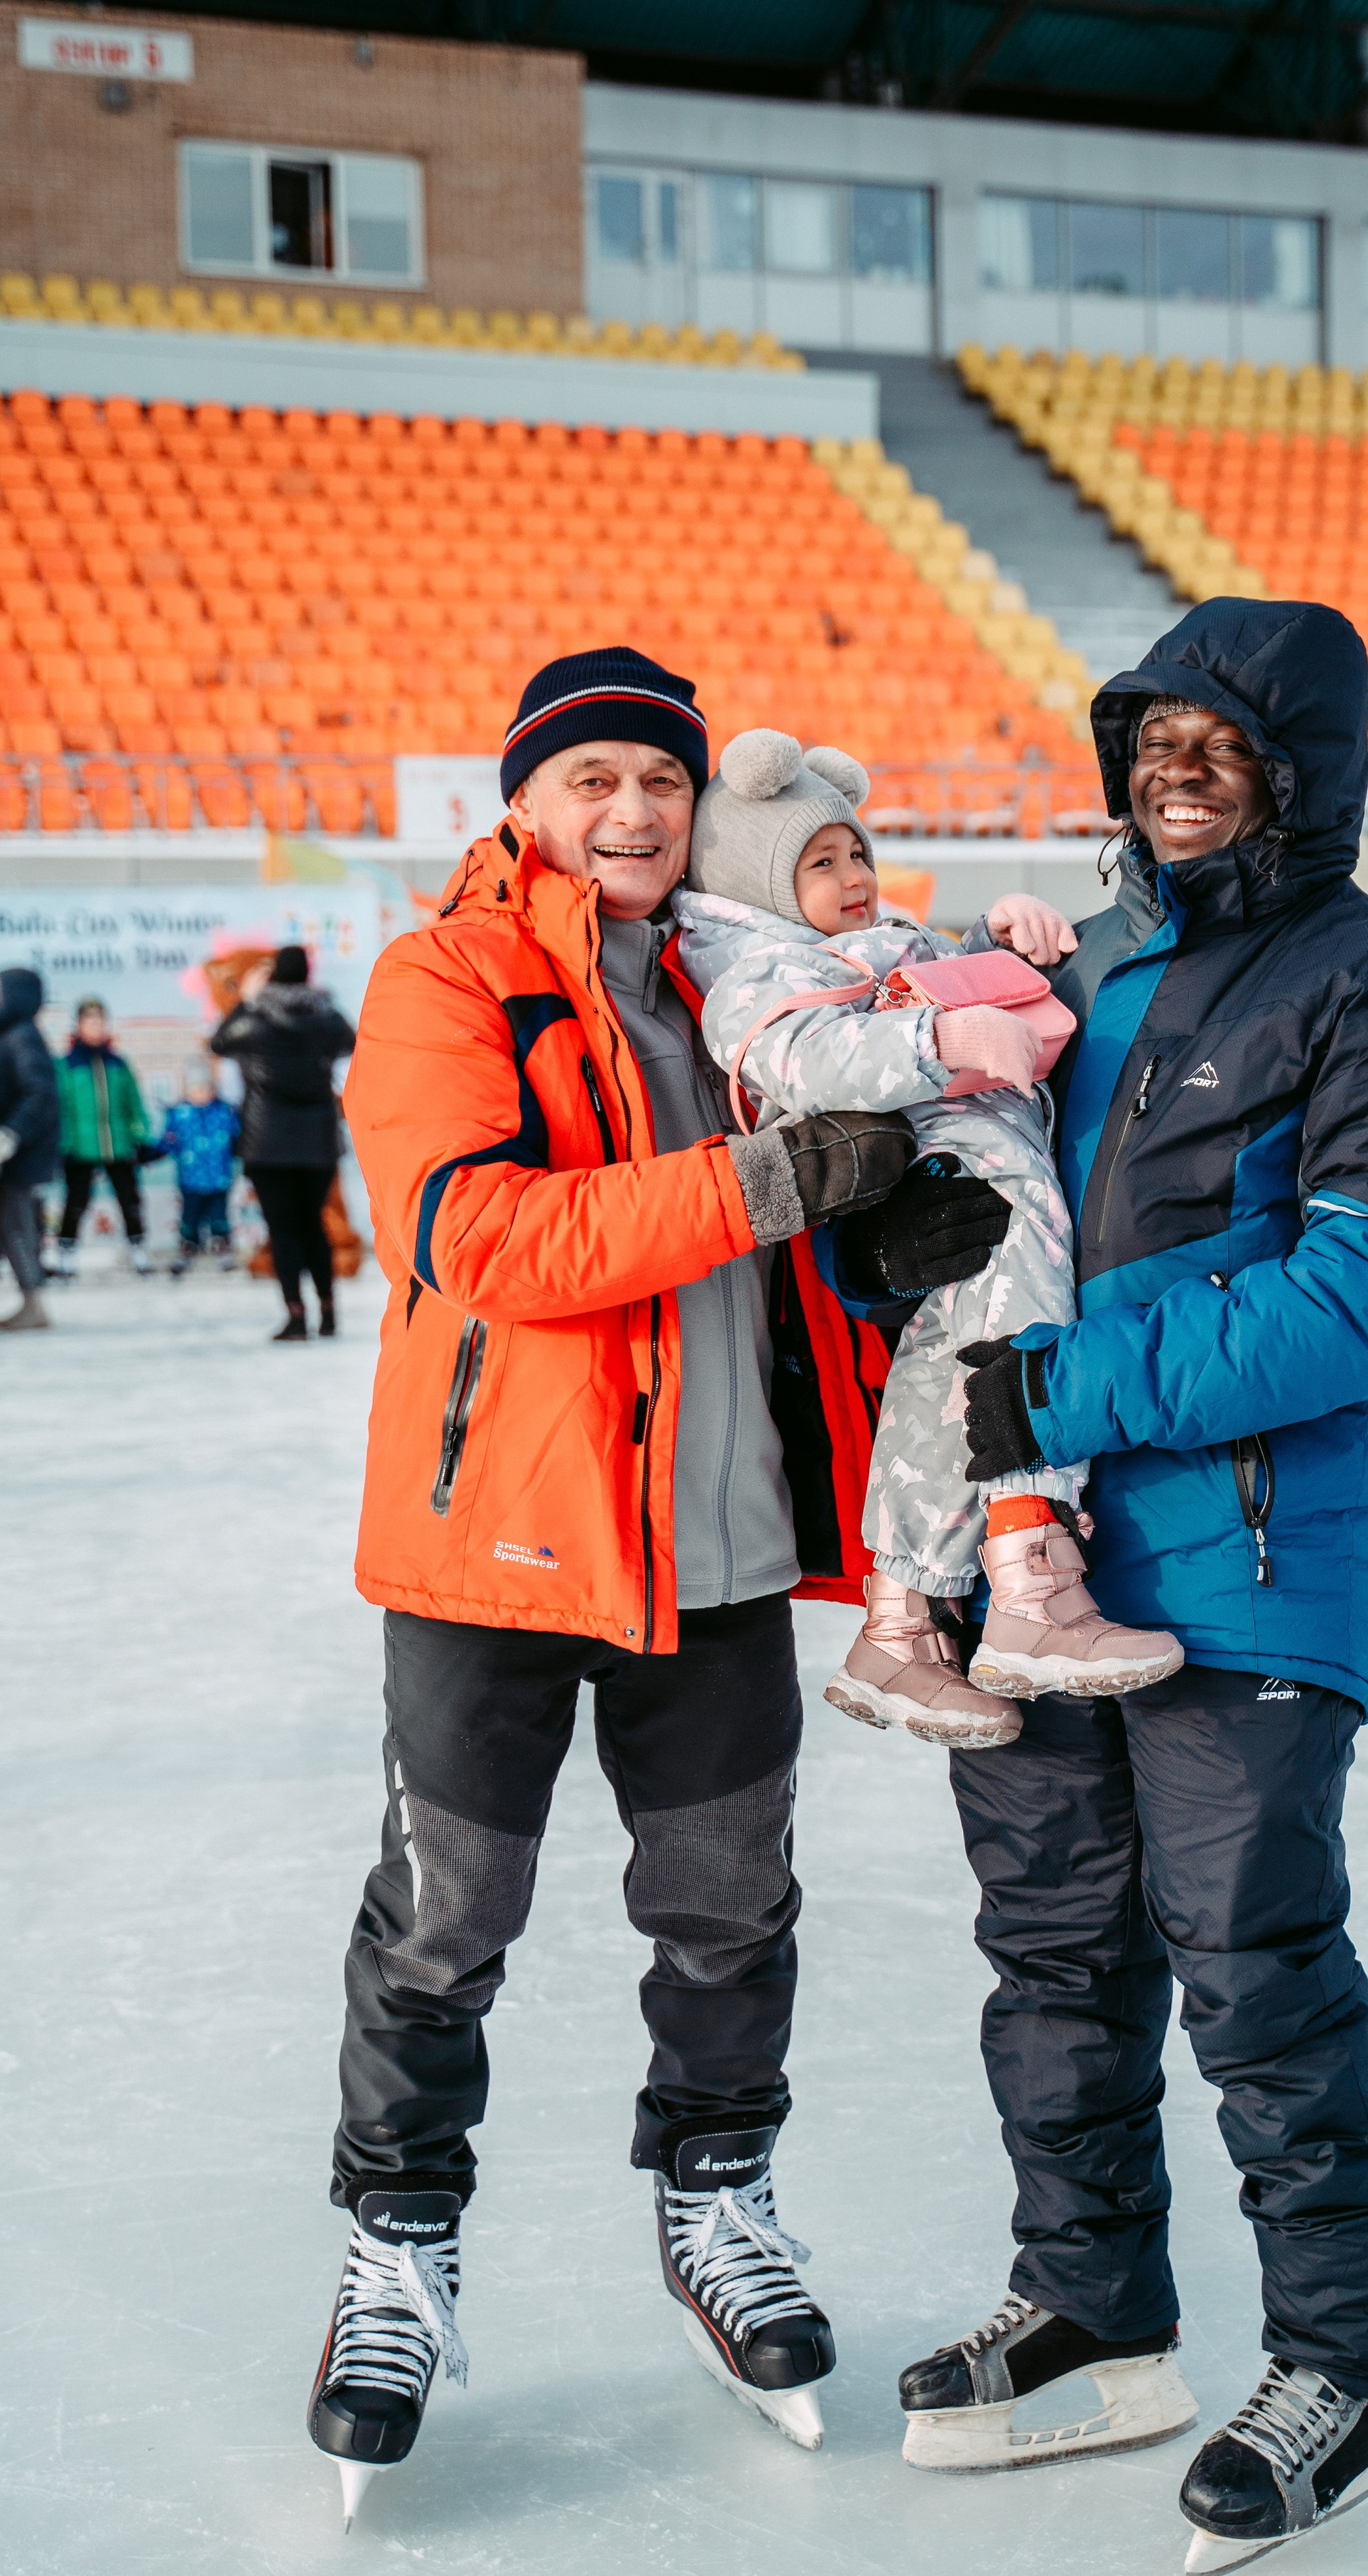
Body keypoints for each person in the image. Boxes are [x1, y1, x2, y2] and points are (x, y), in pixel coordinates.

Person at [305, 646, 997, 2526]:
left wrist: (877, 1247)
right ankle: (395, 2243)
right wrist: (776, 1180)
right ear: (525, 800)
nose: (629, 810)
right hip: (497, 1543)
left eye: (662, 781)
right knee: (447, 1920)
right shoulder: (450, 975)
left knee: (727, 1906)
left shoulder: (737, 979)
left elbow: (790, 1246)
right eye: (591, 777)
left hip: (723, 1550)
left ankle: (718, 2197)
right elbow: (475, 1233)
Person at [851, 600, 1368, 2567]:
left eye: (1219, 746)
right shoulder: (1081, 971)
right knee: (1053, 1946)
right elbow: (991, 1222)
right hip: (1033, 1556)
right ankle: (1095, 2305)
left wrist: (1052, 1383)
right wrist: (902, 1248)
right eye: (1150, 742)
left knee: (1251, 1958)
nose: (1173, 773)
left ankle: (1343, 2361)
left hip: (1249, 1554)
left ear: (1305, 775)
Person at [675, 726, 1183, 1748]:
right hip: (945, 1170)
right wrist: (936, 1039)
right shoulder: (754, 971)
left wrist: (1001, 937)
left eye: (856, 852)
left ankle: (902, 1625)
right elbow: (802, 1058)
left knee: (948, 1374)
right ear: (756, 881)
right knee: (1012, 1358)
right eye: (819, 863)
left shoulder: (877, 940)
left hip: (973, 1166)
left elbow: (950, 978)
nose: (853, 877)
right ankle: (1032, 1577)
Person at [210, 945, 356, 1340]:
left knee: (284, 1230)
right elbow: (351, 1042)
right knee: (314, 1225)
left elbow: (219, 1043)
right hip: (318, 1139)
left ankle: (296, 1316)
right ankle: (329, 1311)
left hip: (267, 1141)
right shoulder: (324, 1015)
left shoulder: (255, 1018)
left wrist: (245, 1000)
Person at [52, 995, 154, 1276]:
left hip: (118, 1144)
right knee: (76, 1201)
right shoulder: (67, 1065)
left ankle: (138, 1250)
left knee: (130, 1200)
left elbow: (134, 1103)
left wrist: (139, 1134)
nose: (95, 1027)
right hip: (81, 1146)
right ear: (79, 1026)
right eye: (89, 1022)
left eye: (100, 1021)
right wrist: (65, 1142)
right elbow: (61, 1107)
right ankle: (66, 1255)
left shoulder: (118, 1064)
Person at [0, 966, 59, 1333]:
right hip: (14, 1150)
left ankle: (34, 1303)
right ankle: (30, 1300)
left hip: (20, 1153)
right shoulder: (10, 1034)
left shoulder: (22, 1036)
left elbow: (39, 1094)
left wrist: (11, 1133)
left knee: (17, 1225)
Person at [158, 1057, 241, 1272]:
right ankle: (188, 1246)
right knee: (190, 1216)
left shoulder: (225, 1112)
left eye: (205, 1089)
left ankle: (222, 1246)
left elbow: (238, 1139)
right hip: (191, 1178)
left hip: (219, 1178)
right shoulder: (180, 1115)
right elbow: (168, 1141)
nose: (200, 1094)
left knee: (219, 1216)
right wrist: (149, 1152)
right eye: (195, 1089)